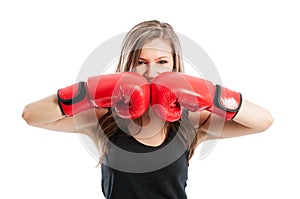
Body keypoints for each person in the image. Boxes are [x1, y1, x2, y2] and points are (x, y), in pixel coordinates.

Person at [22, 20, 273, 199]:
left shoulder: (192, 120)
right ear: (129, 64)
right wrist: (87, 93)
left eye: (162, 62)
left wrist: (213, 95)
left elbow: (263, 121)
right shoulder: (104, 118)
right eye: (141, 62)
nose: (152, 72)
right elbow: (31, 116)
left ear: (175, 65)